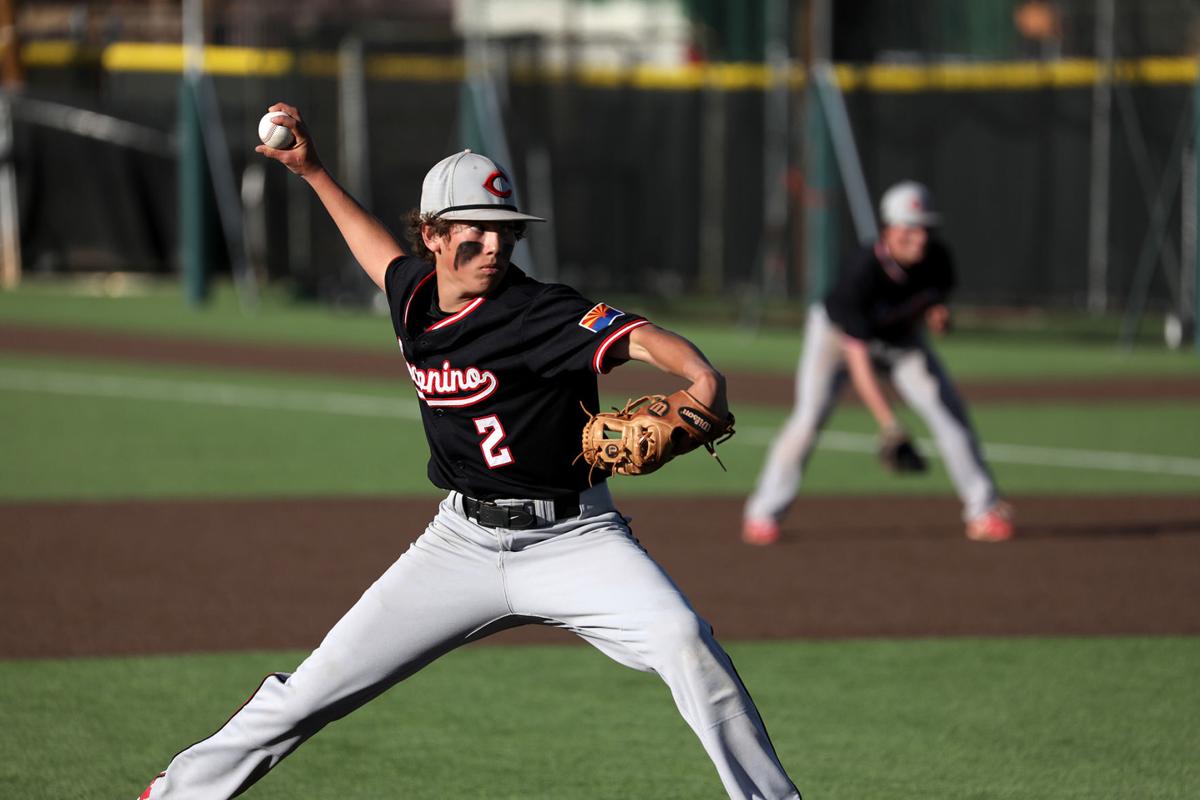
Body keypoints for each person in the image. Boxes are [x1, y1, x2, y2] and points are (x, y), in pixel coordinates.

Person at [136, 103, 801, 800]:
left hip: (575, 538)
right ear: (432, 235)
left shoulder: (538, 310)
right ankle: (176, 793)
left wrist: (702, 377)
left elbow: (638, 337)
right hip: (460, 543)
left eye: (505, 232)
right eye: (474, 231)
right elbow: (374, 252)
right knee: (312, 691)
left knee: (685, 640)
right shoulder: (413, 295)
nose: (493, 245)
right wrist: (312, 171)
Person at [741, 181, 1013, 547]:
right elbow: (859, 363)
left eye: (926, 228)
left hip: (901, 339)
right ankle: (762, 514)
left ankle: (983, 510)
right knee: (809, 418)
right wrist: (889, 425)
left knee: (947, 410)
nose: (919, 237)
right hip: (836, 340)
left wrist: (938, 316)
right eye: (909, 228)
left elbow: (933, 299)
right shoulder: (862, 271)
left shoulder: (938, 259)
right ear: (889, 229)